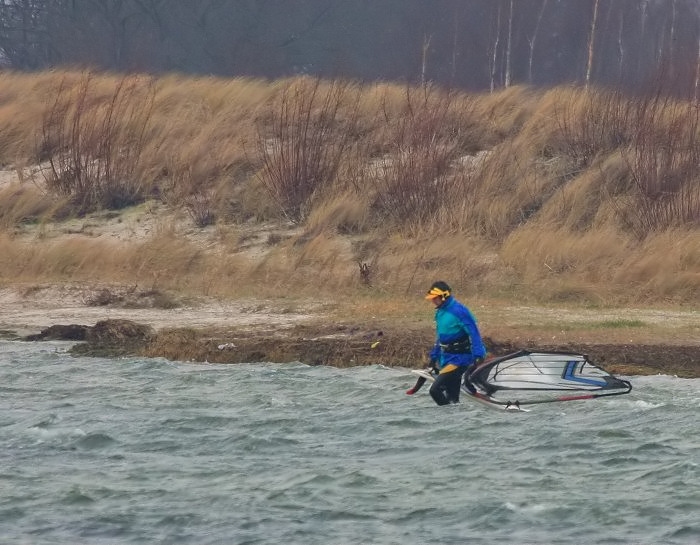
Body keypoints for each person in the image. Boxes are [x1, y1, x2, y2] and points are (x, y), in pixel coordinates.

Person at [419, 280, 486, 405]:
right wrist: (434, 357)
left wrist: (479, 354)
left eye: (435, 298)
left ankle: (445, 420)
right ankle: (453, 419)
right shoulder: (440, 312)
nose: (432, 301)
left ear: (444, 296)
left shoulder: (459, 311)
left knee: (435, 390)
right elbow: (441, 337)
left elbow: (474, 332)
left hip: (460, 359)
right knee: (452, 399)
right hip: (447, 358)